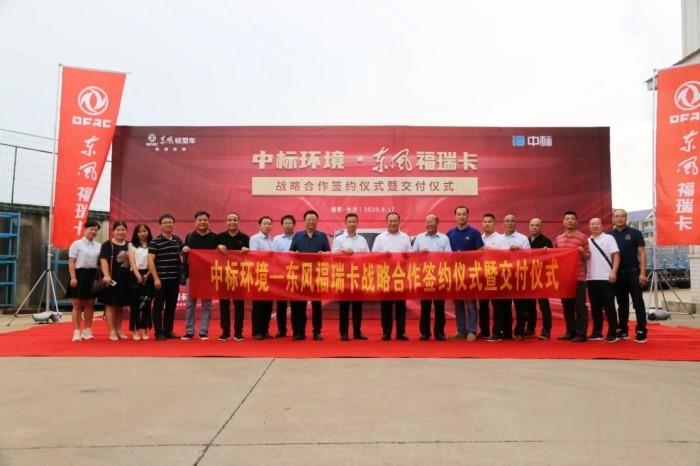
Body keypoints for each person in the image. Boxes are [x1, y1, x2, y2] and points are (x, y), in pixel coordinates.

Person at [489, 214, 531, 342]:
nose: (510, 223)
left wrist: (519, 251)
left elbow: (530, 257)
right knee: (501, 306)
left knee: (520, 306)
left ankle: (519, 332)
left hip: (518, 276)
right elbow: (493, 257)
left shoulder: (522, 238)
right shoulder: (498, 239)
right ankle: (502, 332)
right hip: (502, 276)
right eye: (507, 221)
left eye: (512, 221)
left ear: (516, 223)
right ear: (503, 223)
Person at [289, 210, 331, 340]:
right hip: (300, 275)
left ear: (317, 221)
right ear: (304, 221)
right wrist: (294, 254)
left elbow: (328, 253)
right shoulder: (297, 236)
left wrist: (324, 254)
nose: (311, 221)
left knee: (316, 306)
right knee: (299, 305)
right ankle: (299, 331)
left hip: (316, 275)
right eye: (309, 219)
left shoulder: (322, 236)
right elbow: (291, 252)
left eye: (314, 219)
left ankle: (317, 331)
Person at [608, 208, 648, 343]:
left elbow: (642, 253)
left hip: (633, 272)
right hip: (618, 274)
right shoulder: (609, 235)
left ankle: (641, 330)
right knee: (622, 304)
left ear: (626, 218)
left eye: (622, 216)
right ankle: (623, 330)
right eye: (616, 216)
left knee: (638, 302)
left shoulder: (635, 233)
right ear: (613, 219)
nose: (619, 218)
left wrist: (642, 273)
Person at [372, 211, 412, 341]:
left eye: (395, 220)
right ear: (386, 222)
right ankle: (386, 332)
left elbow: (410, 256)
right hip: (385, 275)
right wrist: (383, 257)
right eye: (390, 220)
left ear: (399, 222)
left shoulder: (405, 237)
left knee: (401, 306)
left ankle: (401, 332)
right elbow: (374, 256)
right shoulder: (380, 238)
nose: (393, 223)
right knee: (386, 306)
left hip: (401, 275)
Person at [446, 206, 484, 342]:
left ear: (467, 216)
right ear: (455, 216)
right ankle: (461, 331)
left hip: (470, 273)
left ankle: (472, 330)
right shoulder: (449, 233)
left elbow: (481, 251)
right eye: (458, 214)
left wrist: (466, 256)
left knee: (471, 304)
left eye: (463, 214)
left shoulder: (475, 233)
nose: (461, 217)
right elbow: (445, 253)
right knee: (458, 304)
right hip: (455, 273)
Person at [413, 214, 452, 341]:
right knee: (425, 306)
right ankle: (425, 333)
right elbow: (412, 256)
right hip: (425, 276)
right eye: (427, 222)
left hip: (440, 275)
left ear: (437, 223)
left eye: (431, 222)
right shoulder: (419, 237)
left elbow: (449, 256)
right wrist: (420, 254)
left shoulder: (444, 238)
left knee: (439, 306)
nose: (429, 224)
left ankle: (439, 332)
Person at [181, 211, 219, 340]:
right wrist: (184, 250)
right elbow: (184, 255)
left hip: (207, 275)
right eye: (200, 220)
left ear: (208, 221)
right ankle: (189, 331)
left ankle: (204, 331)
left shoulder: (215, 238)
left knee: (206, 304)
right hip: (192, 275)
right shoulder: (190, 236)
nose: (202, 222)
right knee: (190, 304)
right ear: (195, 222)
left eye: (205, 220)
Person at [332, 213, 370, 341]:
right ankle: (343, 332)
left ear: (357, 223)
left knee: (357, 307)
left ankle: (357, 332)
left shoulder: (362, 240)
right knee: (344, 306)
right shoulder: (339, 239)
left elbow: (368, 256)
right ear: (345, 223)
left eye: (354, 222)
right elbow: (333, 257)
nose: (352, 224)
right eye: (350, 222)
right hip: (343, 277)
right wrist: (343, 252)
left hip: (358, 277)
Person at [554, 210, 591, 342]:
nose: (569, 221)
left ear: (576, 222)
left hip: (578, 277)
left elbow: (588, 256)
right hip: (564, 277)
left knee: (580, 306)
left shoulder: (582, 237)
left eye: (572, 219)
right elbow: (556, 256)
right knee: (567, 305)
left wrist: (582, 252)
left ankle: (581, 333)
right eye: (567, 219)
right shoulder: (558, 238)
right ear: (563, 222)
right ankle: (570, 331)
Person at [148, 214, 184, 341]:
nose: (168, 224)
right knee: (158, 306)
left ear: (173, 224)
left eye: (170, 222)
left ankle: (168, 330)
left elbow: (183, 253)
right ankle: (158, 332)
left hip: (174, 279)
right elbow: (150, 261)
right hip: (160, 280)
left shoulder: (177, 240)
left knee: (171, 306)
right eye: (165, 222)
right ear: (160, 225)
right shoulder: (155, 242)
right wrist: (156, 278)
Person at [66, 219, 102, 342]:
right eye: (91, 229)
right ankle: (76, 331)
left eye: (96, 230)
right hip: (79, 274)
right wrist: (73, 277)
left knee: (90, 304)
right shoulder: (76, 244)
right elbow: (71, 262)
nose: (93, 231)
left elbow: (100, 263)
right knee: (77, 304)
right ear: (85, 229)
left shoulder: (99, 246)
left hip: (92, 275)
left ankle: (87, 330)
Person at [216, 212, 250, 341]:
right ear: (226, 222)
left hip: (239, 276)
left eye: (234, 220)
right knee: (224, 305)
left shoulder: (245, 238)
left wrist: (247, 250)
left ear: (238, 222)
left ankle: (238, 332)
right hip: (223, 276)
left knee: (239, 305)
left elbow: (252, 256)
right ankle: (225, 332)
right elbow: (210, 253)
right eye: (229, 220)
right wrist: (218, 246)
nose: (232, 222)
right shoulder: (219, 237)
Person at [587, 217, 620, 343]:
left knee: (609, 306)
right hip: (591, 278)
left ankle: (613, 331)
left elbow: (616, 255)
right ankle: (597, 332)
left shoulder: (609, 238)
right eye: (592, 224)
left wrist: (614, 272)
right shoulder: (587, 241)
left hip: (606, 277)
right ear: (589, 226)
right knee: (595, 307)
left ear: (602, 225)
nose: (595, 226)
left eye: (597, 224)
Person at [100, 221, 132, 341]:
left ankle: (119, 329)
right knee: (111, 305)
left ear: (126, 231)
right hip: (112, 279)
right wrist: (106, 275)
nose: (120, 232)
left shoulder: (129, 245)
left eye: (123, 229)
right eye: (118, 229)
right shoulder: (107, 244)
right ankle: (112, 330)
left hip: (126, 280)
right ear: (113, 231)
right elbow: (103, 261)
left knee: (120, 306)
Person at [249, 215, 275, 340]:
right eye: (265, 223)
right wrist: (268, 256)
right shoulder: (254, 238)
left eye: (269, 223)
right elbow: (254, 255)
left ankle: (265, 330)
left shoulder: (271, 239)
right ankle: (256, 331)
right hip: (258, 275)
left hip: (269, 276)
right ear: (259, 225)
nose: (267, 225)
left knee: (268, 305)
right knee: (258, 305)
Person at [527, 217, 554, 339]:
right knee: (529, 304)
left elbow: (551, 258)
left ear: (541, 227)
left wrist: (547, 252)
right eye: (532, 225)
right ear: (529, 227)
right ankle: (530, 328)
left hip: (541, 276)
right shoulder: (526, 241)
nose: (534, 227)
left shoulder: (546, 241)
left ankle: (546, 330)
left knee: (543, 305)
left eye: (537, 225)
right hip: (528, 276)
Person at [127, 223, 154, 340]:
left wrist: (148, 274)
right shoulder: (131, 245)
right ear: (136, 234)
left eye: (144, 231)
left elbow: (153, 262)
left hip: (149, 275)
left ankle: (145, 330)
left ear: (148, 232)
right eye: (140, 231)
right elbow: (132, 262)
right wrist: (138, 276)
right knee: (135, 305)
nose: (142, 233)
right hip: (135, 275)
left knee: (147, 304)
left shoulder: (153, 245)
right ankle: (135, 330)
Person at [271, 214, 295, 338]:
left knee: (295, 304)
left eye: (290, 223)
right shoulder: (277, 239)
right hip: (281, 274)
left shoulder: (299, 237)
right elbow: (273, 256)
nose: (288, 225)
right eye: (285, 223)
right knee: (281, 304)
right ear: (282, 225)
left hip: (296, 274)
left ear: (294, 225)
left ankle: (296, 329)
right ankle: (281, 329)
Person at [479, 213, 502, 339]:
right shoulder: (479, 238)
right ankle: (484, 330)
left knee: (497, 305)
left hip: (496, 274)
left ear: (494, 223)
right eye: (485, 222)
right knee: (483, 305)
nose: (487, 224)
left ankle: (497, 331)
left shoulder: (500, 238)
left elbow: (504, 255)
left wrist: (488, 249)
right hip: (482, 274)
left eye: (489, 222)